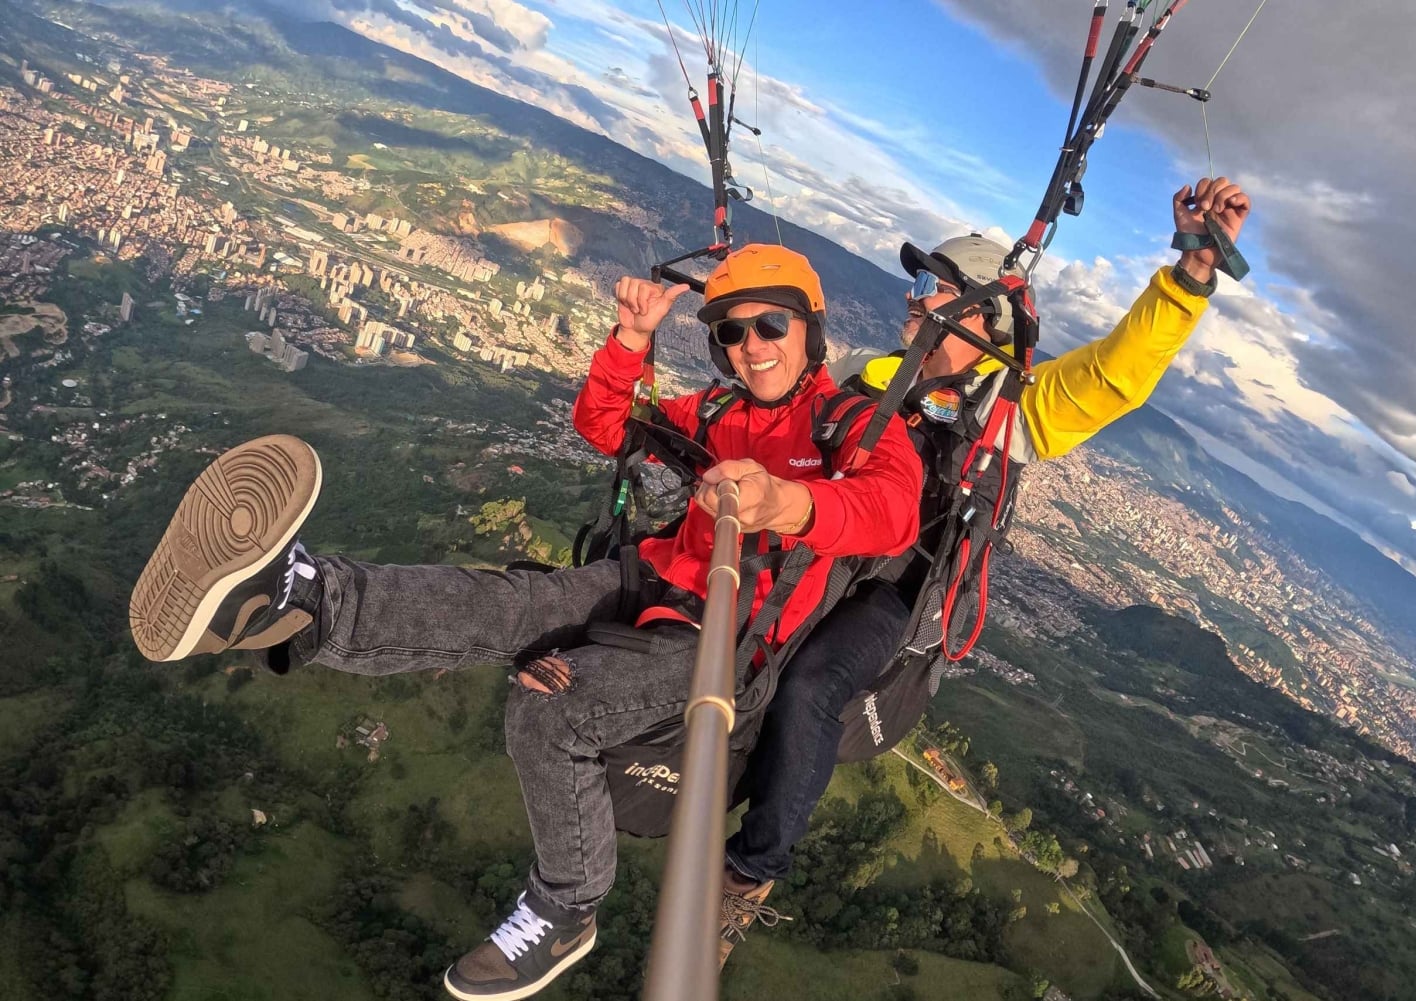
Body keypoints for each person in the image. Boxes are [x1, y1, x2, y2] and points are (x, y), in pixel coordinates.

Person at [127, 243, 923, 1001]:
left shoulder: (850, 428)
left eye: (770, 325)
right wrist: (630, 341)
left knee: (550, 704)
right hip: (650, 580)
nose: (751, 347)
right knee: (508, 602)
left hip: (727, 644)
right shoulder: (719, 410)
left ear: (809, 330)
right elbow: (606, 427)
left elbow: (892, 511)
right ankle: (299, 595)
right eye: (731, 333)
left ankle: (565, 903)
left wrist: (788, 501)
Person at [715, 178, 1253, 963]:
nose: (913, 300)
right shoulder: (878, 378)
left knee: (811, 683)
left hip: (899, 595)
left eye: (932, 288)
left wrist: (1193, 268)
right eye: (916, 285)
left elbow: (1116, 374)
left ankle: (748, 874)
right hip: (833, 554)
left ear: (982, 317)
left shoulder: (1018, 412)